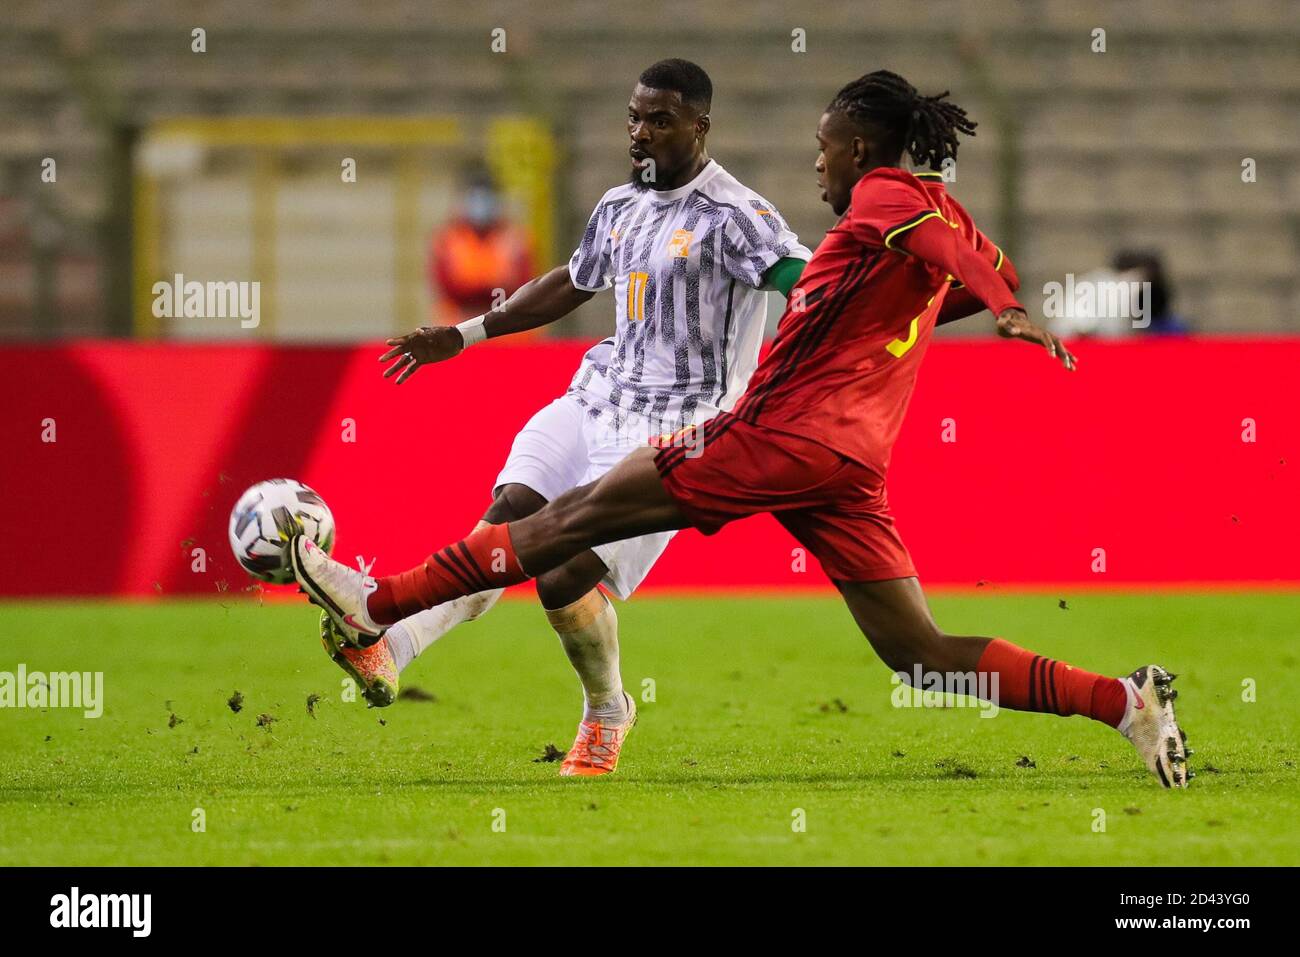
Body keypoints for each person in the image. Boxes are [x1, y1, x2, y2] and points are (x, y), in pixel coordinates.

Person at [293, 70, 1191, 789]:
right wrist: (979, 297)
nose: (819, 166)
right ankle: (1124, 703)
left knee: (564, 528)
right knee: (920, 655)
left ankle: (374, 606)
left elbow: (961, 264)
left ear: (863, 146)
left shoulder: (882, 194)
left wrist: (1006, 310)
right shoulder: (929, 210)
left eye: (825, 147)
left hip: (773, 436)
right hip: (850, 462)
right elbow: (965, 260)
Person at [322, 58, 811, 777]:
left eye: (660, 120)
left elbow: (802, 279)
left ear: (700, 127)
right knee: (504, 523)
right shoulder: (620, 205)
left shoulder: (736, 214)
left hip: (676, 428)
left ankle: (608, 710)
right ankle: (391, 646)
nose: (640, 133)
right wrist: (464, 333)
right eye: (634, 118)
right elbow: (571, 284)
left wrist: (821, 356)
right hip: (596, 398)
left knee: (561, 575)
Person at [428, 167, 534, 325]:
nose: (480, 204)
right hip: (458, 332)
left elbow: (524, 286)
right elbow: (448, 287)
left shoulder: (515, 239)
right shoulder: (448, 239)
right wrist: (489, 290)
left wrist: (476, 291)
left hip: (507, 334)